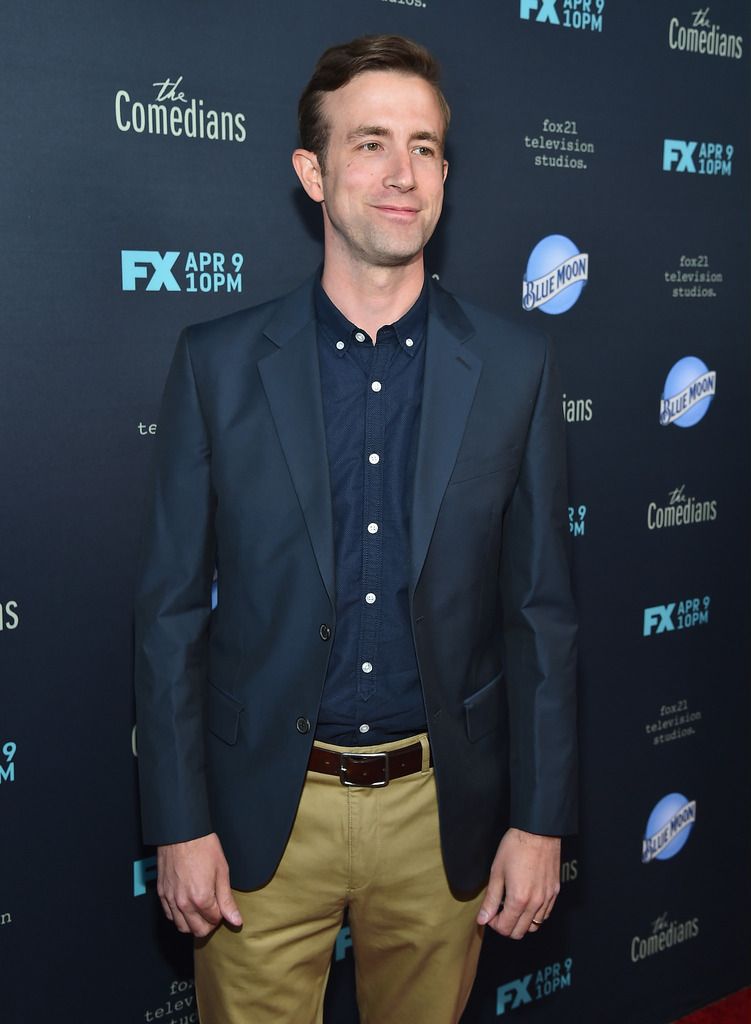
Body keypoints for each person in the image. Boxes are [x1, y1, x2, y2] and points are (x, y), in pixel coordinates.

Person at [135, 33, 577, 1024]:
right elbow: (168, 614)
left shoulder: (514, 365)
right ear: (312, 170)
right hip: (260, 824)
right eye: (370, 142)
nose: (401, 173)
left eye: (423, 147)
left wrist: (540, 820)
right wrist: (178, 821)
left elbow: (540, 614)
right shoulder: (218, 364)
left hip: (440, 818)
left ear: (445, 175)